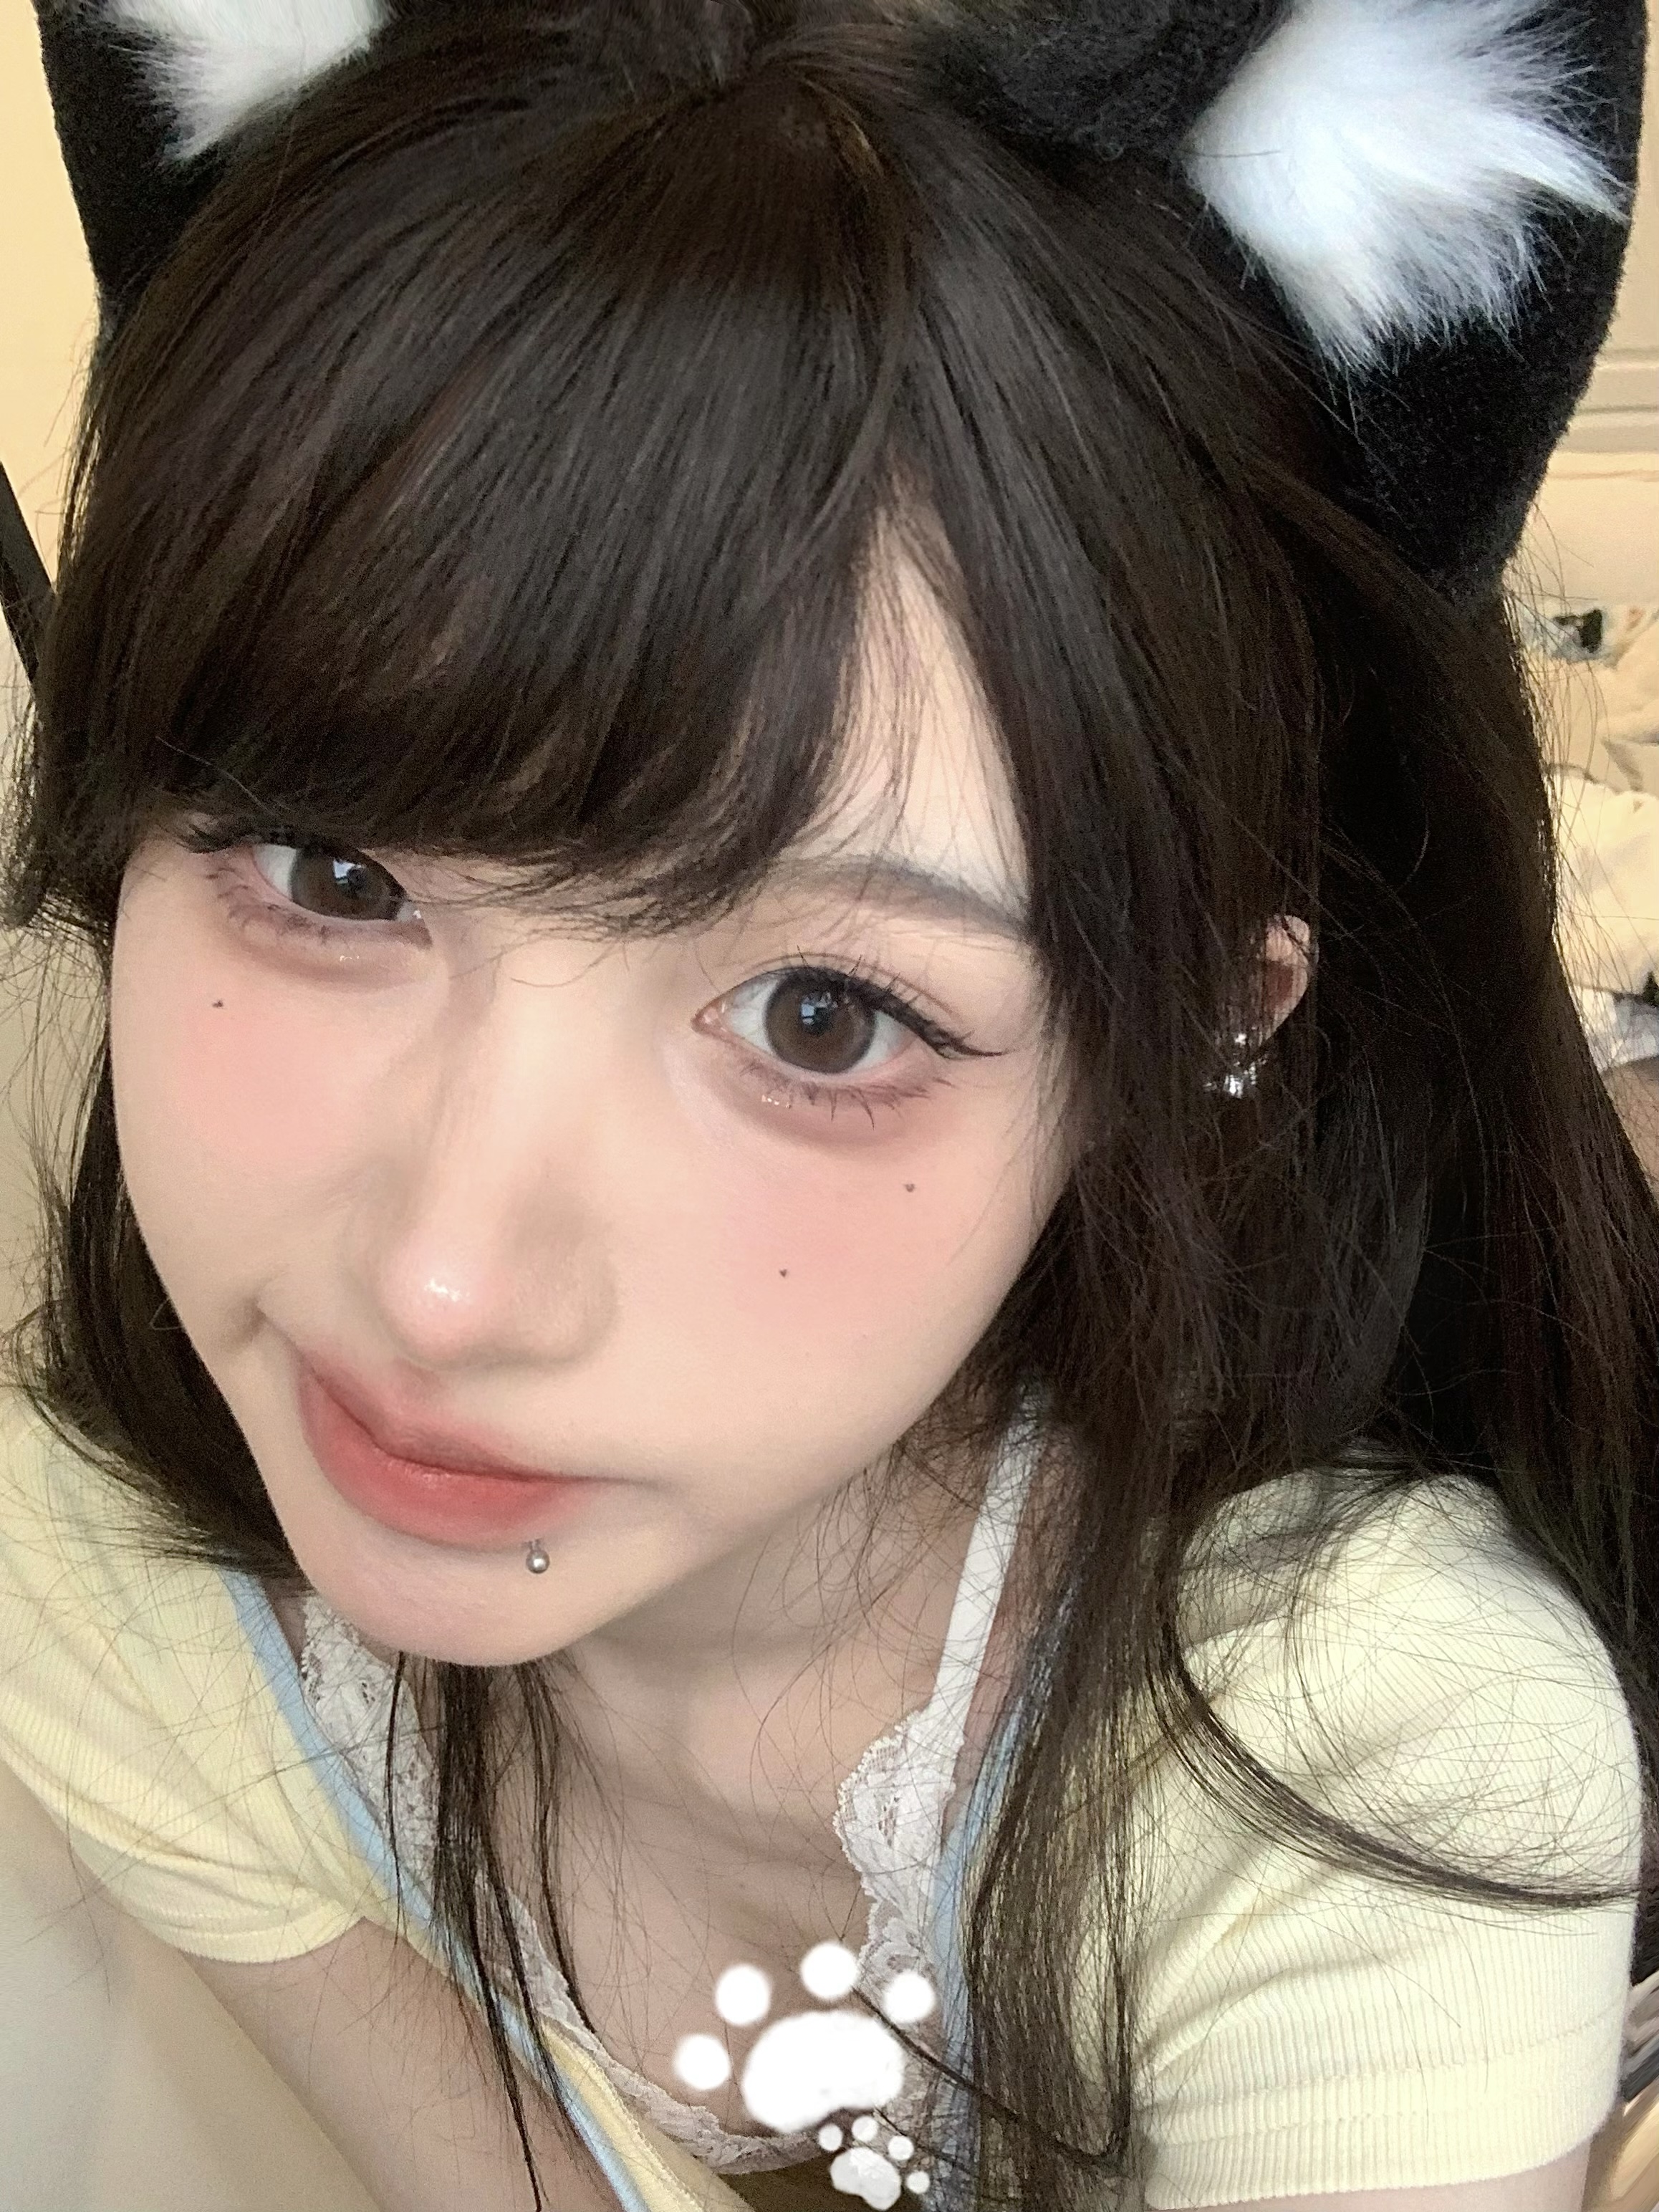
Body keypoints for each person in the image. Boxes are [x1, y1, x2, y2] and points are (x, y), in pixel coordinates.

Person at [2, 4, 1656, 2211]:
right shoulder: (104, 1567)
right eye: (331, 875)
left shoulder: (1369, 1759)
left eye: (821, 1015)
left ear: (1186, 1030)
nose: (442, 1282)